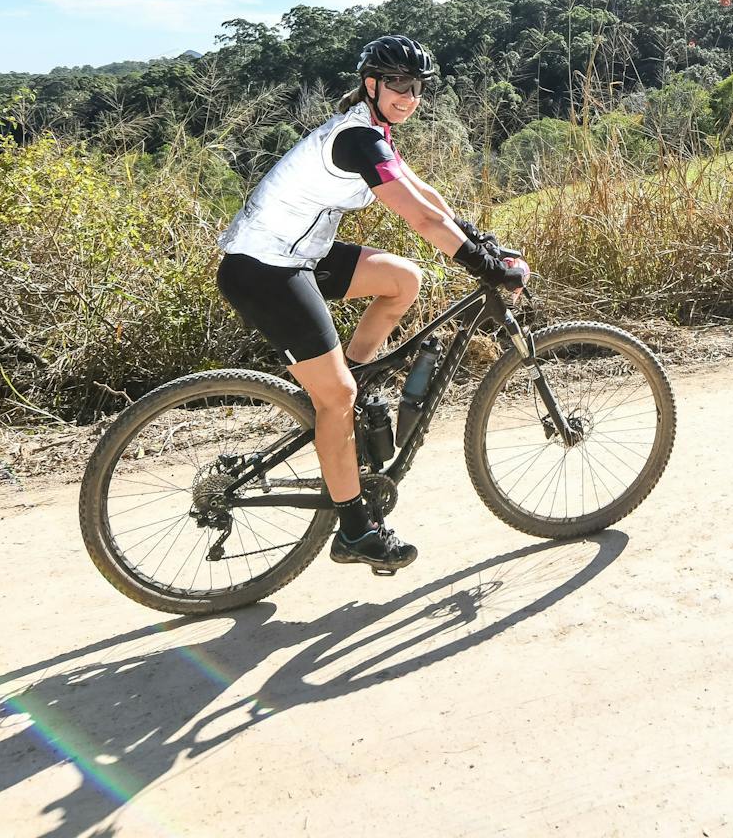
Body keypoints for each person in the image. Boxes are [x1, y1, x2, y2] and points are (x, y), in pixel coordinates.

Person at [214, 34, 530, 572]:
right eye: (398, 85)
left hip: (299, 255)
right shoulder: (357, 139)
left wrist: (481, 240)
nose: (409, 96)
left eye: (417, 87)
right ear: (372, 86)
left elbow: (427, 195)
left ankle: (352, 388)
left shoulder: (375, 131)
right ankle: (355, 529)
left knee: (403, 279)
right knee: (334, 397)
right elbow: (421, 220)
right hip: (262, 269)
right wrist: (486, 268)